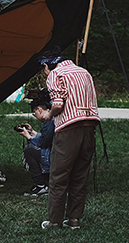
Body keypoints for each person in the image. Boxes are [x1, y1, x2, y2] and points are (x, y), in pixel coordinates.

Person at [38, 47, 100, 230]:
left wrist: (49, 115)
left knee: (59, 175)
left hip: (68, 129)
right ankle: (74, 220)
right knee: (80, 175)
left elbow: (58, 103)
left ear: (47, 65)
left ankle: (55, 221)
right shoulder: (84, 72)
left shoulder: (55, 74)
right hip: (89, 128)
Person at [16, 91, 55, 196]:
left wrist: (28, 137)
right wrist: (33, 132)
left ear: (39, 109)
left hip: (54, 155)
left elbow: (43, 143)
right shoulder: (54, 115)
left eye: (35, 113)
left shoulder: (49, 120)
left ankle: (40, 185)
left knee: (29, 150)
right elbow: (47, 138)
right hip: (59, 150)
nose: (35, 115)